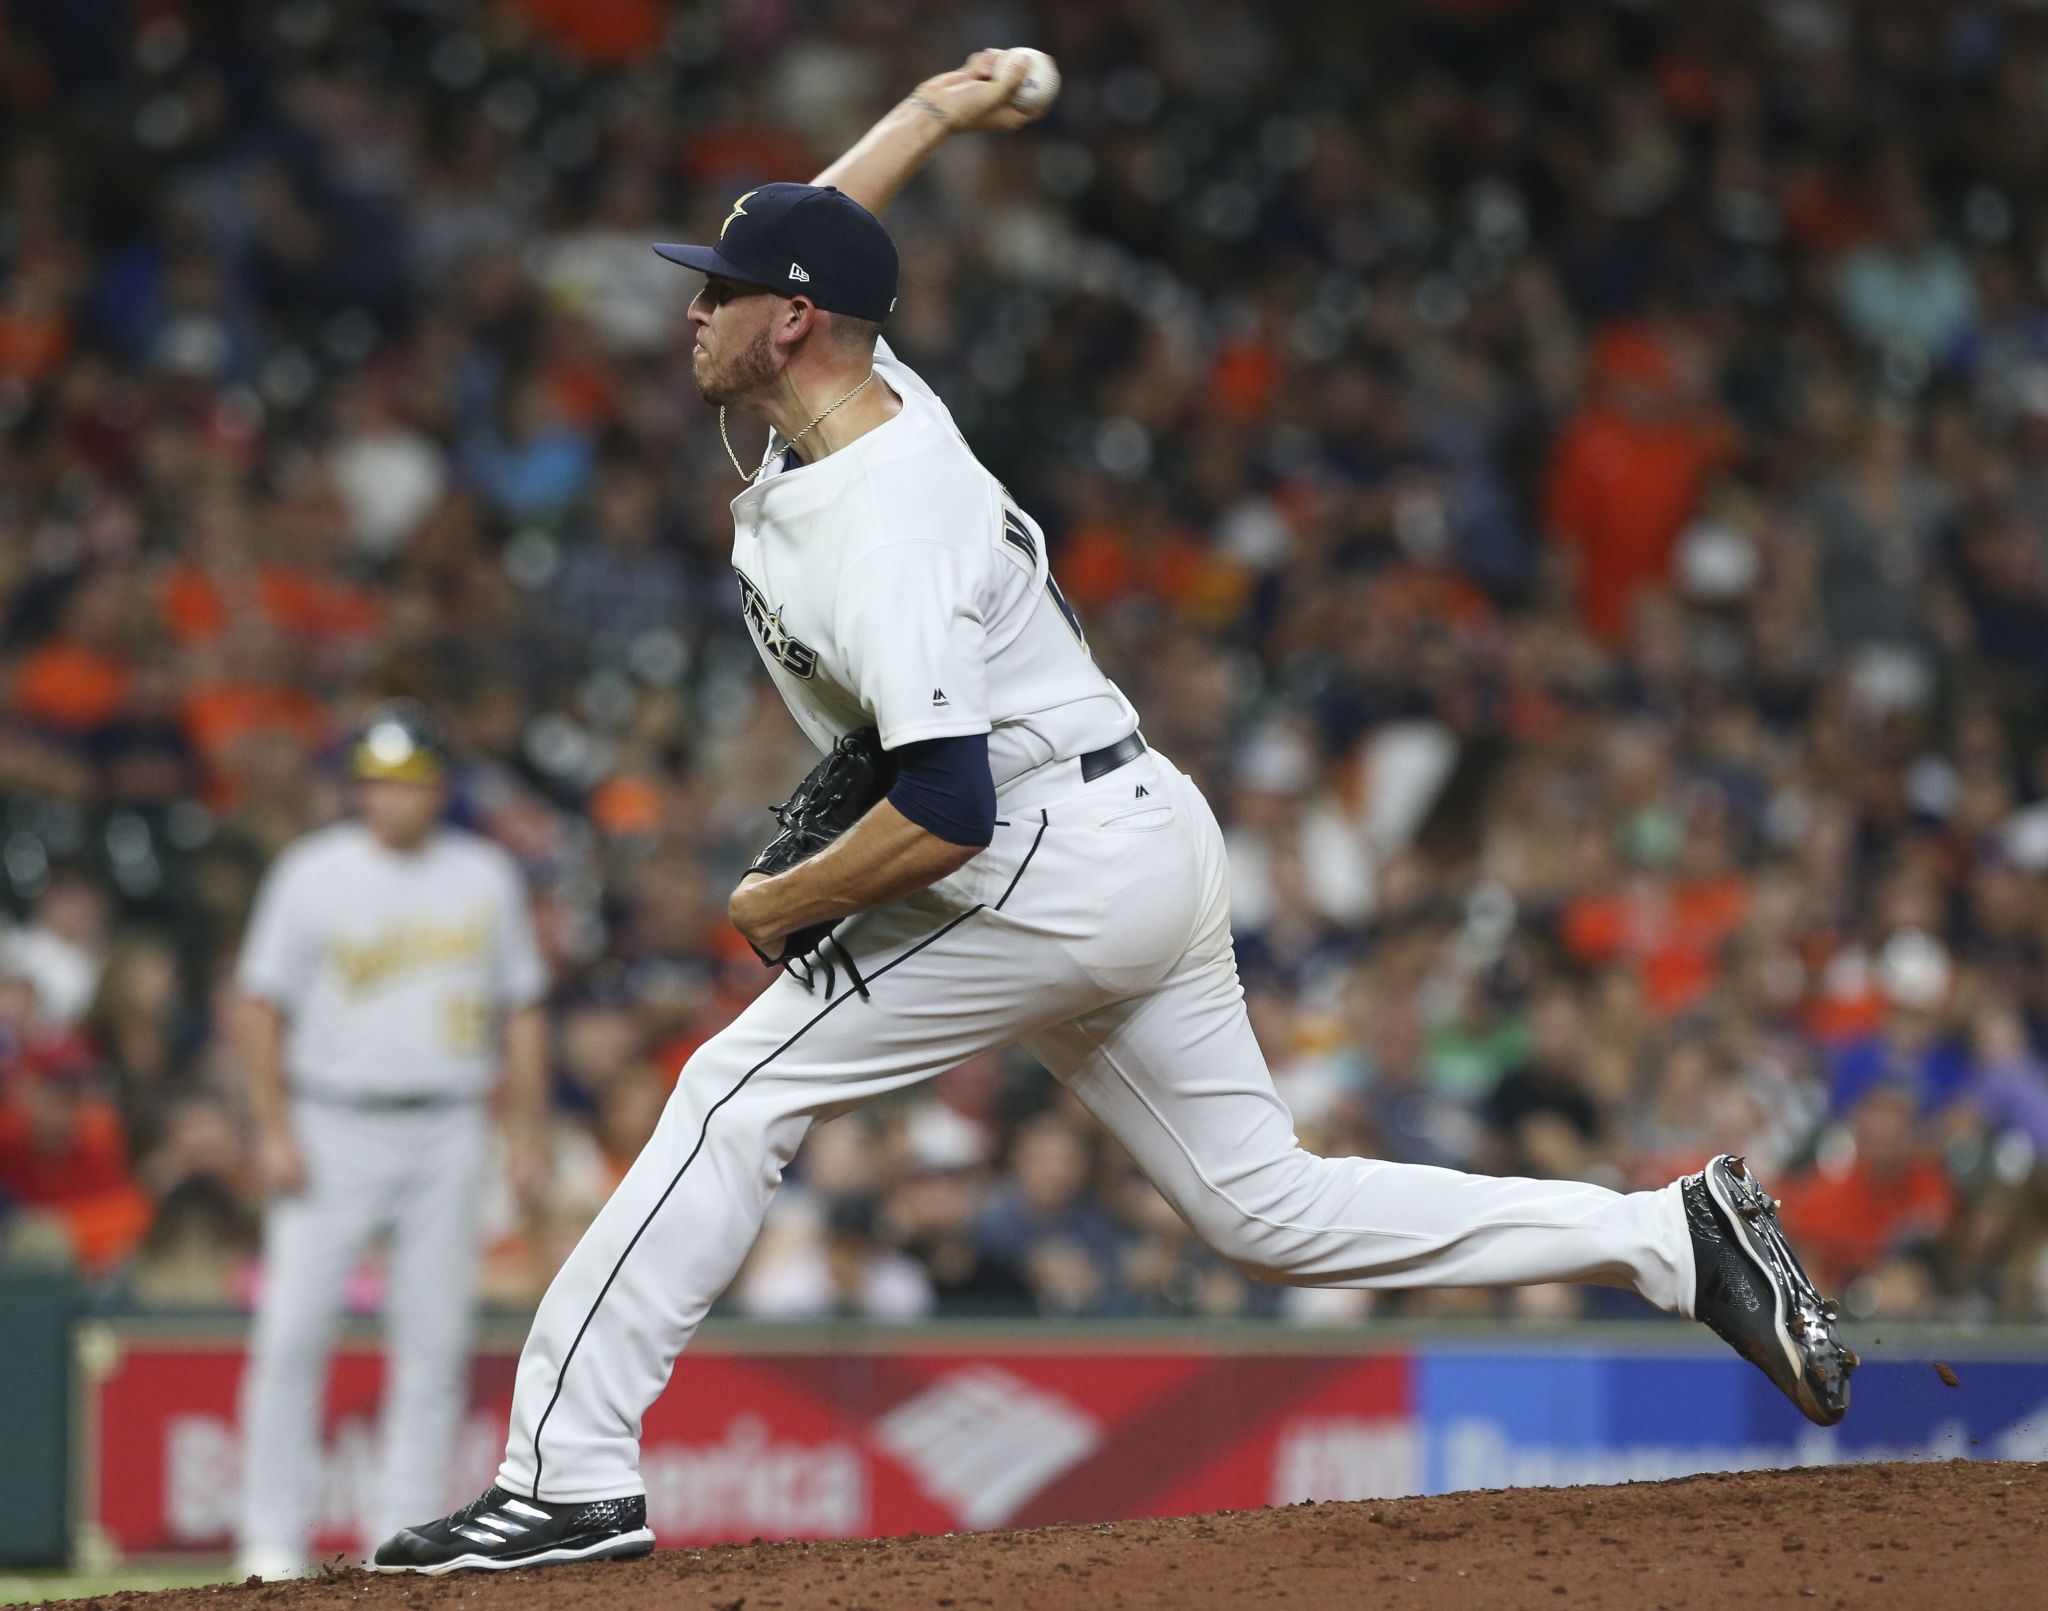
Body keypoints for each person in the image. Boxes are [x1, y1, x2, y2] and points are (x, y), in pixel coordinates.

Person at [373, 52, 1854, 1575]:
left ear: (789, 322)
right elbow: (830, 234)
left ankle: (567, 1474)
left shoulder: (887, 520)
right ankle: (1671, 1237)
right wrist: (937, 115)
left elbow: (942, 806)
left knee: (732, 1096)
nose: (691, 311)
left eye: (717, 293)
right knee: (1261, 1205)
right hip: (1126, 824)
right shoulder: (860, 398)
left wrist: (788, 899)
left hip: (1034, 851)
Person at [234, 701, 549, 1578]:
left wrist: (525, 1135)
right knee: (293, 1332)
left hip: (449, 1122)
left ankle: (403, 1535)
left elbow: (520, 1012)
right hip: (332, 1119)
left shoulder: (485, 874)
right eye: (374, 781)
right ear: (355, 789)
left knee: (434, 1344)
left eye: (406, 781)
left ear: (439, 787)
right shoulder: (311, 873)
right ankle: (270, 1537)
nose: (390, 798)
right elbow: (258, 1006)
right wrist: (273, 1127)